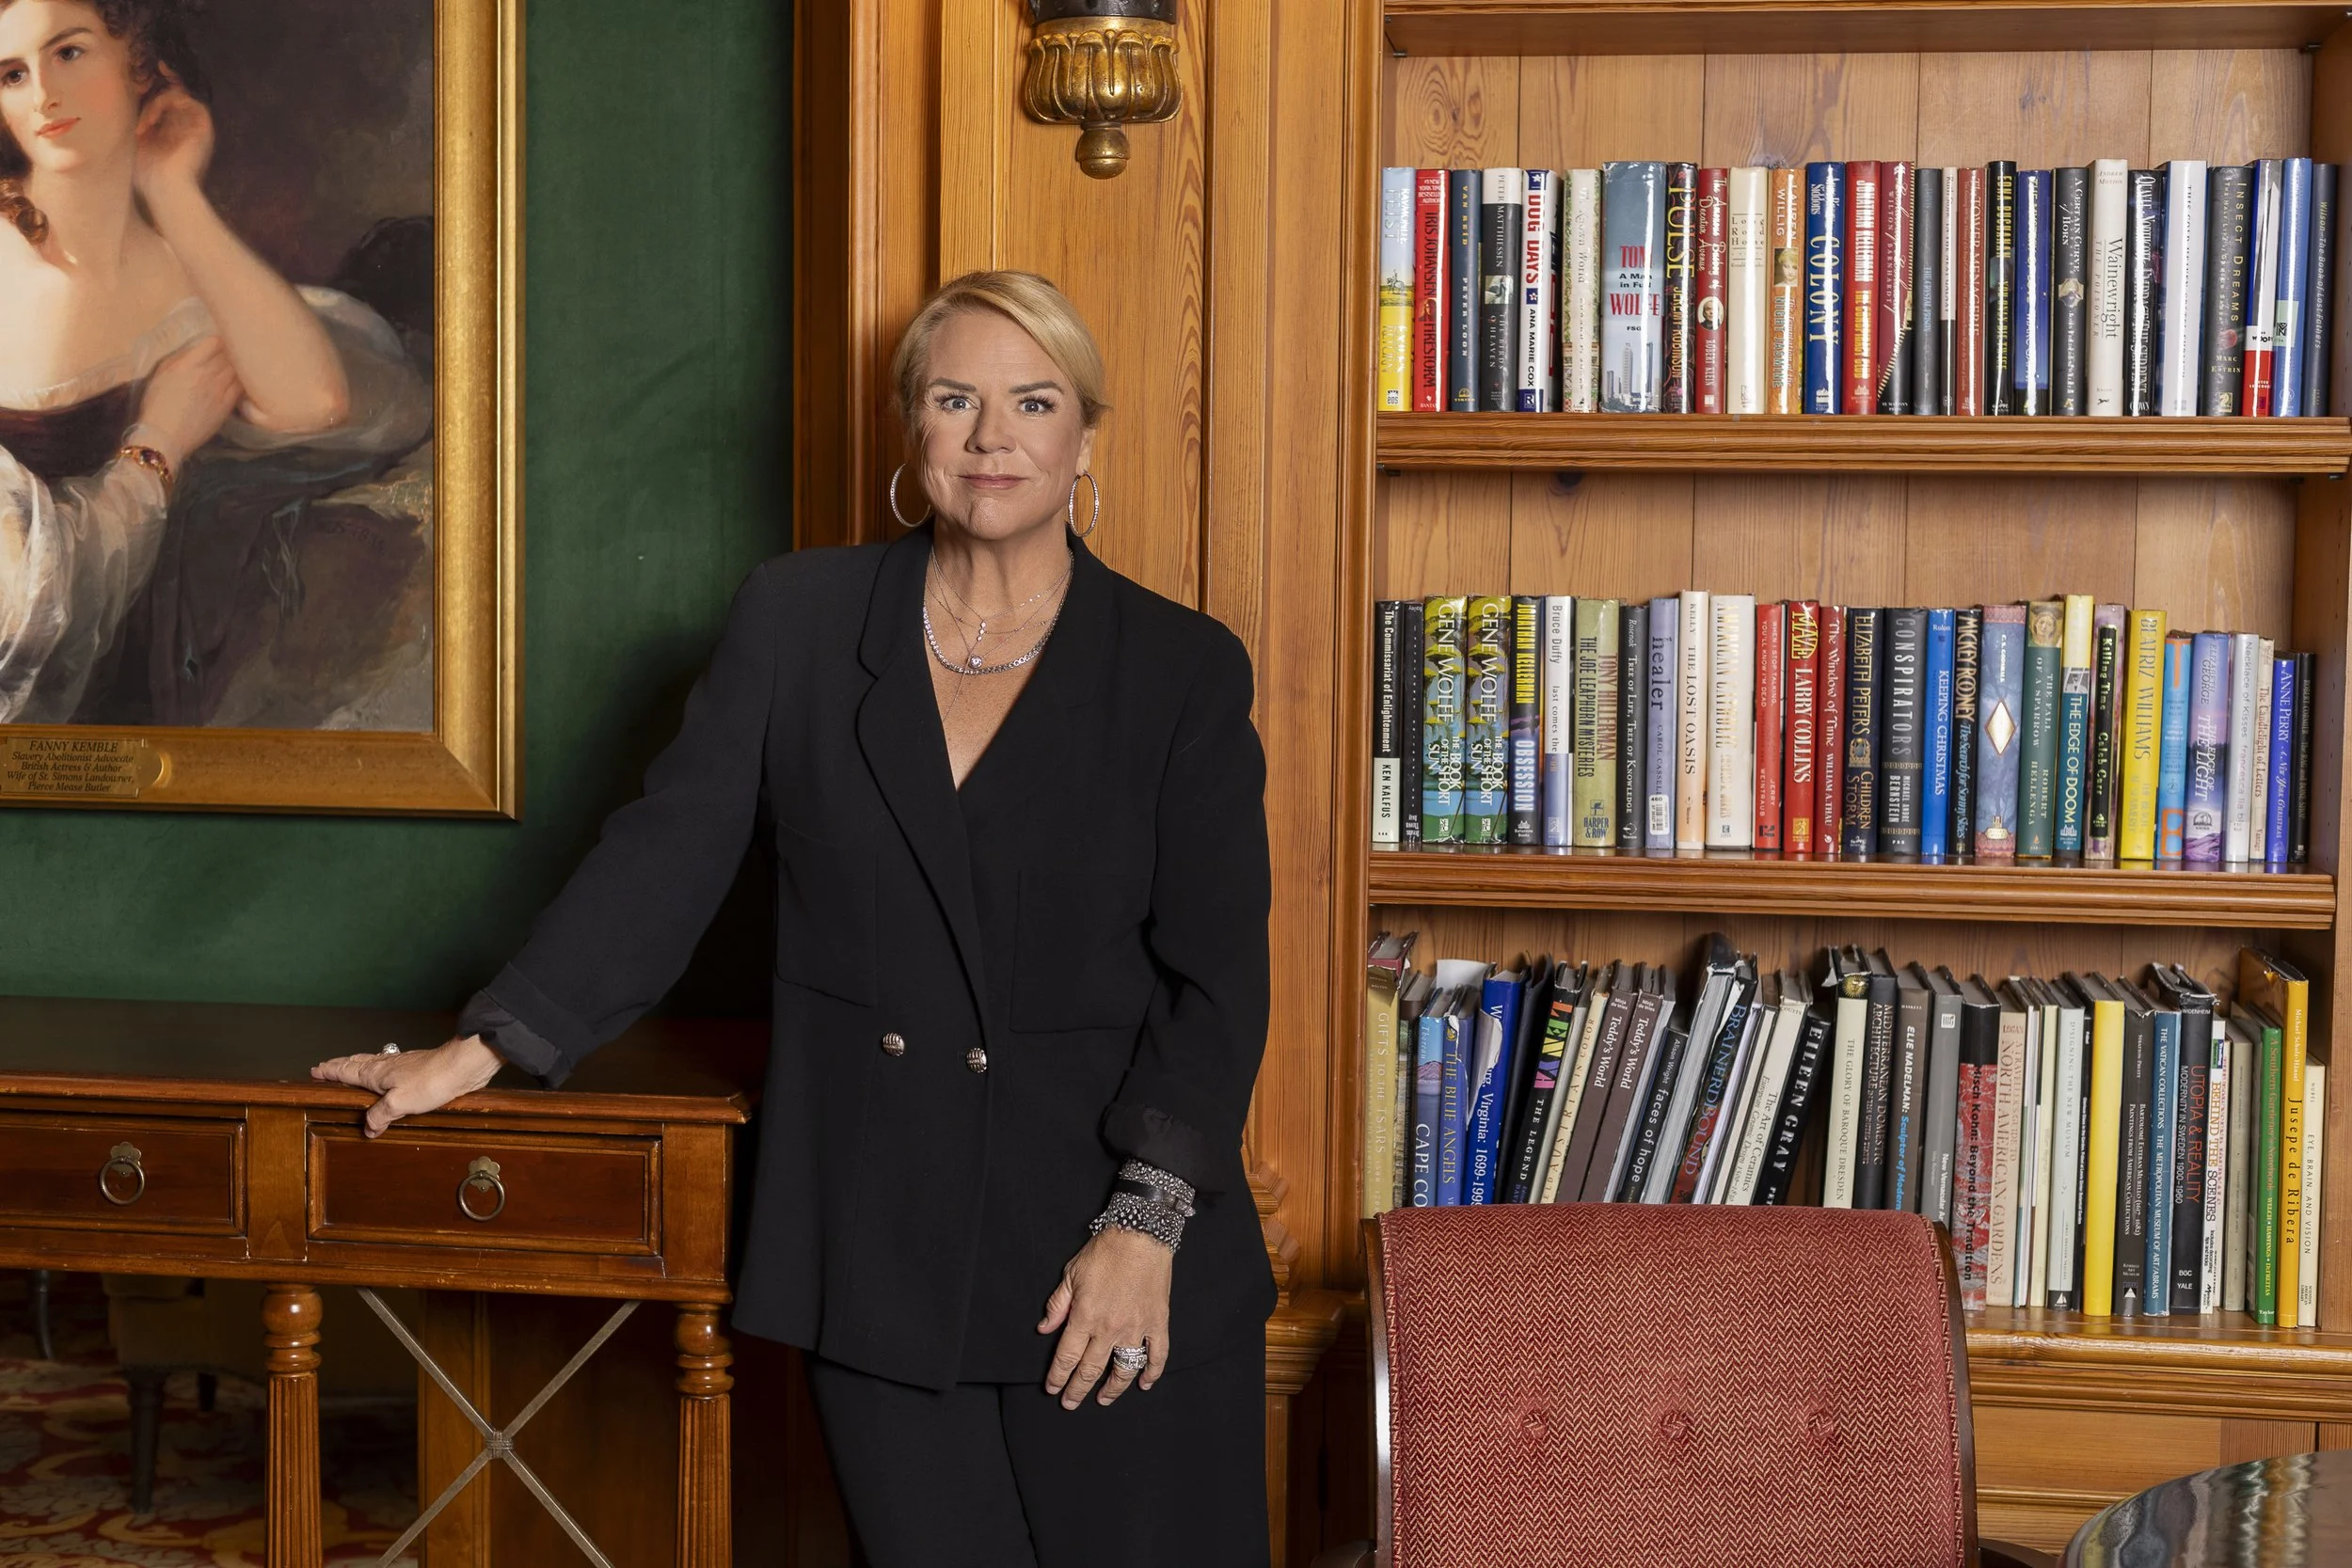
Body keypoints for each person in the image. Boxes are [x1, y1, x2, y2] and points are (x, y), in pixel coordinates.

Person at [311, 270, 1279, 1567]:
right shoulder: (802, 620)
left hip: (1109, 1252)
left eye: (1032, 401)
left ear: (1084, 437)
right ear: (909, 427)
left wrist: (1144, 1223)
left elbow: (1216, 980)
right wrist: (488, 1044)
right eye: (955, 398)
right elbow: (669, 849)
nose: (993, 435)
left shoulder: (1182, 668)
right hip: (881, 1247)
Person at [0, 0, 430, 726]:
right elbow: (19, 603)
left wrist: (174, 192)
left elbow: (319, 402)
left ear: (142, 63)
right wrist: (157, 442)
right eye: (12, 74)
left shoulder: (189, 274)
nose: (42, 93)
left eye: (69, 53)